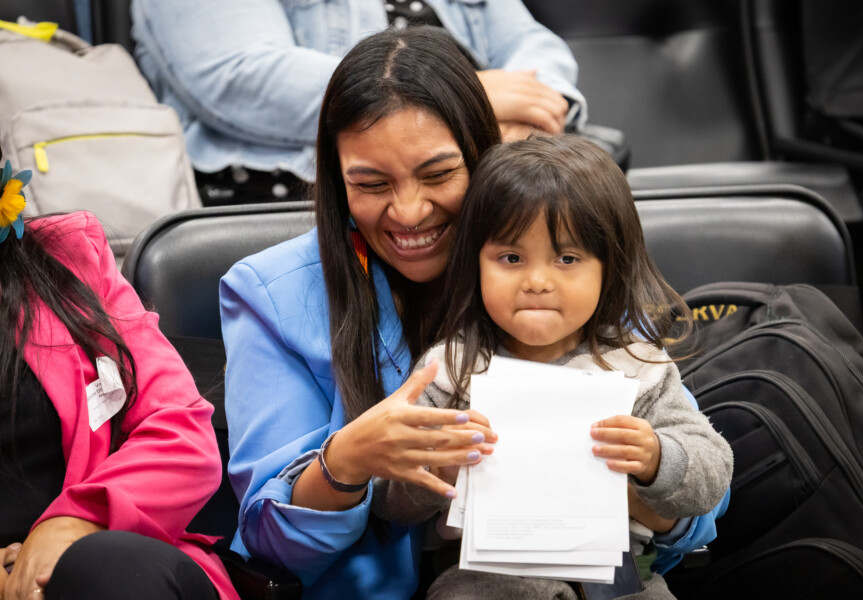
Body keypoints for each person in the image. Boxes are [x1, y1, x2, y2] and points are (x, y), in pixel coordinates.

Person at [220, 27, 725, 600]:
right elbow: (269, 547)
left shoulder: (565, 263)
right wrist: (350, 460)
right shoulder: (271, 294)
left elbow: (699, 510)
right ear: (338, 184)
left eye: (438, 175)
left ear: (486, 159)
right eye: (372, 184)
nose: (409, 211)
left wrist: (624, 478)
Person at [371, 134, 734, 599]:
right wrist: (434, 471)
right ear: (475, 263)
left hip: (620, 578)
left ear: (610, 266)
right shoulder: (450, 369)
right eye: (511, 258)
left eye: (567, 258)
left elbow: (712, 472)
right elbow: (386, 498)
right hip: (485, 576)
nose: (537, 281)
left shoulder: (637, 365)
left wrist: (657, 459)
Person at [0, 160, 238, 600]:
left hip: (99, 561)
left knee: (105, 568)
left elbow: (182, 434)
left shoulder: (67, 260)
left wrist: (74, 521)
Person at [130, 0, 587, 203]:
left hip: (484, 177)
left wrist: (526, 124)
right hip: (302, 198)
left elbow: (534, 44)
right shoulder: (469, 95)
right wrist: (466, 96)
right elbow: (239, 75)